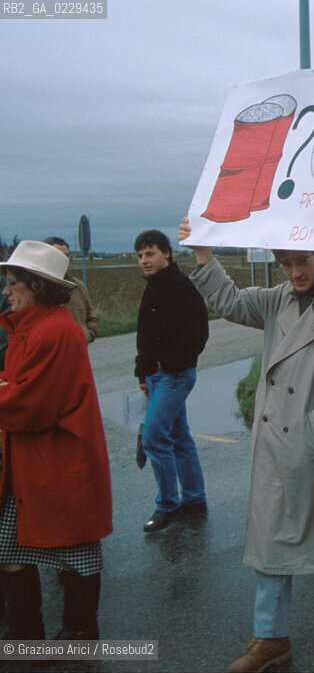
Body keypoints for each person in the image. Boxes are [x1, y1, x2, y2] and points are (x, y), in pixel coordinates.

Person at [179, 218, 314, 673]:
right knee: (284, 534)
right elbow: (231, 303)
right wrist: (203, 254)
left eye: (302, 262)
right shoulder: (278, 299)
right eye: (286, 264)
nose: (294, 272)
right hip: (282, 446)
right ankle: (272, 635)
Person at [0, 241, 112, 639]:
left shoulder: (53, 332)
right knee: (10, 547)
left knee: (76, 550)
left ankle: (78, 632)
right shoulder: (34, 327)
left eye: (13, 282)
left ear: (36, 286)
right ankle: (26, 631)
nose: (6, 290)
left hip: (61, 460)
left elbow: (29, 405)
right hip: (36, 461)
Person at [134, 230, 209, 533]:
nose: (144, 261)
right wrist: (143, 372)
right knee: (179, 437)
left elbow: (199, 333)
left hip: (174, 375)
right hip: (155, 375)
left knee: (153, 438)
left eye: (150, 254)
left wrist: (173, 363)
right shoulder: (152, 287)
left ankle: (167, 504)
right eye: (140, 256)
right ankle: (194, 498)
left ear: (167, 253)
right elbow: (145, 336)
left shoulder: (181, 286)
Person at [43, 237, 99, 342]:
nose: (64, 259)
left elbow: (92, 317)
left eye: (66, 255)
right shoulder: (34, 288)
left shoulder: (78, 286)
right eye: (58, 255)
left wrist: (88, 334)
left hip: (77, 352)